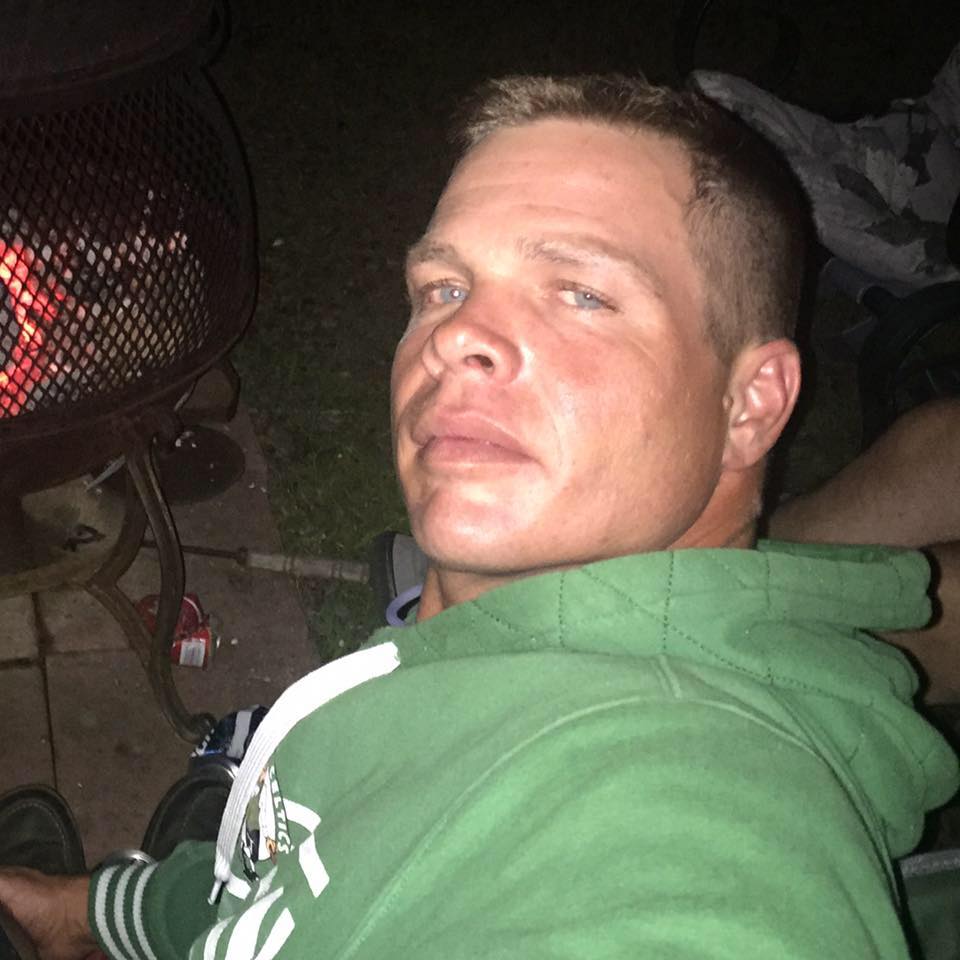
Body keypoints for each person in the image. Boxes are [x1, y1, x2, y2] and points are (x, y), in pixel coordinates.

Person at [0, 73, 957, 960]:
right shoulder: (488, 643)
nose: (455, 335)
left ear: (748, 406)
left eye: (582, 294)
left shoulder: (690, 817)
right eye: (444, 288)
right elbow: (300, 886)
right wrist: (96, 911)